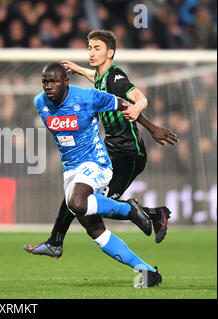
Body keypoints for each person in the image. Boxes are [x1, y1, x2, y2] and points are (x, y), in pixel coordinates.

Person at [25, 30, 178, 261]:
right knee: (80, 197)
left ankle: (155, 214)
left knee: (89, 203)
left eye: (97, 48)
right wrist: (77, 69)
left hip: (128, 153)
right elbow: (95, 80)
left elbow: (138, 97)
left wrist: (148, 121)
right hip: (111, 149)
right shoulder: (100, 76)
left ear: (111, 53)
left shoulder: (116, 78)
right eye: (89, 48)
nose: (91, 52)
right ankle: (56, 240)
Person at [26, 62, 162, 287]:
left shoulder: (88, 97)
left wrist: (151, 127)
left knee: (77, 202)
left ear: (66, 82)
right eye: (45, 82)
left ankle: (130, 209)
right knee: (95, 231)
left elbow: (126, 105)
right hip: (70, 169)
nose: (48, 86)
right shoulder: (40, 102)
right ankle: (148, 272)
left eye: (53, 81)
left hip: (96, 163)